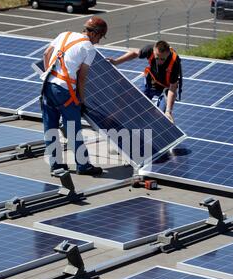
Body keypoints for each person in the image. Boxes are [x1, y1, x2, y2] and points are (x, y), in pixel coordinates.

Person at [40, 16, 107, 176]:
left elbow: (46, 54)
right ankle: (83, 166)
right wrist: (81, 100)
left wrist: (48, 73)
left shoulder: (65, 34)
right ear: (95, 34)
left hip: (48, 85)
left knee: (50, 127)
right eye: (100, 37)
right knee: (73, 129)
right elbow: (82, 77)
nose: (98, 41)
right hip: (64, 91)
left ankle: (55, 165)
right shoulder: (89, 48)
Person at [108, 40, 182, 123]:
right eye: (157, 58)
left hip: (166, 87)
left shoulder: (175, 62)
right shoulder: (149, 49)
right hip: (151, 81)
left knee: (163, 116)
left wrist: (168, 111)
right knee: (138, 104)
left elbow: (172, 88)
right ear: (153, 51)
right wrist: (116, 61)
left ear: (168, 54)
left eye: (162, 59)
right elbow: (135, 53)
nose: (159, 62)